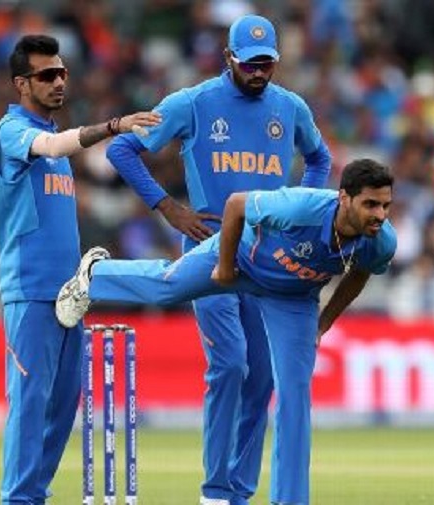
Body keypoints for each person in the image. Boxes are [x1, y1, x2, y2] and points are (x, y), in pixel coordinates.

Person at [57, 158, 396, 505]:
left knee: (295, 396)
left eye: (385, 205)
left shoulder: (381, 240)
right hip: (241, 260)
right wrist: (223, 265)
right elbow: (236, 205)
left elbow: (361, 272)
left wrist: (323, 323)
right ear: (344, 198)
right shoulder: (300, 207)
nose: (380, 215)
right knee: (168, 287)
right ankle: (96, 274)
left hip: (292, 298)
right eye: (370, 204)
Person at [104, 14, 331, 505]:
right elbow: (122, 149)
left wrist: (299, 211)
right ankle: (215, 492)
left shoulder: (290, 107)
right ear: (228, 57)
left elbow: (320, 159)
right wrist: (168, 207)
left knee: (263, 376)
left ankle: (239, 493)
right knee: (230, 364)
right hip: (210, 253)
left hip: (267, 257)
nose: (258, 72)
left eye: (267, 64)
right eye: (249, 64)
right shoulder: (193, 103)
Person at [0, 34, 160, 504]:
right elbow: (51, 145)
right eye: (47, 75)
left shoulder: (57, 152)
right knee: (30, 403)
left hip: (68, 295)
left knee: (64, 405)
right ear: (22, 83)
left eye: (62, 73)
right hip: (29, 291)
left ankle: (34, 495)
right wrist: (113, 126)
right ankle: (18, 499)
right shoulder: (13, 131)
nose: (59, 82)